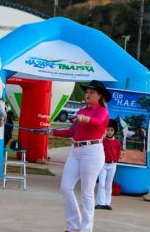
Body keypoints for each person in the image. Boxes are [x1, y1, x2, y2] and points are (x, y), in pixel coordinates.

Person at [52, 80, 111, 232]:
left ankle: (86, 229)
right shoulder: (82, 110)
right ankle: (73, 226)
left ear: (100, 96)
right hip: (76, 151)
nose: (88, 94)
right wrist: (51, 131)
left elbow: (98, 123)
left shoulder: (103, 111)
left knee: (87, 192)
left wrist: (83, 118)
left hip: (92, 152)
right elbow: (71, 131)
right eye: (87, 91)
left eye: (92, 92)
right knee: (65, 188)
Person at [95, 119, 121, 210]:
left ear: (114, 131)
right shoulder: (102, 141)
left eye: (111, 130)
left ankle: (107, 203)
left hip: (113, 165)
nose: (109, 132)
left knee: (108, 184)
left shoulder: (117, 142)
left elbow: (118, 153)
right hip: (103, 164)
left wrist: (115, 160)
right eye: (108, 130)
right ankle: (99, 203)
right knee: (101, 183)